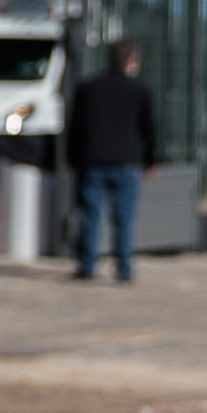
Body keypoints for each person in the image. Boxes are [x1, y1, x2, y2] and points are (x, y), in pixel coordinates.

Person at [66, 37, 158, 283]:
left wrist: (71, 159)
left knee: (89, 217)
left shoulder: (88, 87)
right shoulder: (139, 90)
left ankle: (87, 267)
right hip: (125, 163)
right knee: (124, 220)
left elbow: (74, 128)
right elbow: (149, 129)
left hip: (92, 161)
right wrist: (150, 161)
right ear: (131, 60)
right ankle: (124, 269)